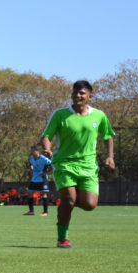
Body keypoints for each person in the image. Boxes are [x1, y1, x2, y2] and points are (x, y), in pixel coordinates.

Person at [42, 80, 115, 249]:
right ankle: (63, 238)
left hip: (88, 166)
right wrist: (47, 148)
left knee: (90, 205)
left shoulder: (99, 116)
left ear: (90, 96)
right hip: (64, 164)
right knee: (69, 199)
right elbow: (47, 135)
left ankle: (65, 204)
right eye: (75, 92)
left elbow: (108, 136)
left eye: (82, 93)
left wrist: (110, 156)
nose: (77, 96)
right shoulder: (60, 114)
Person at [24, 145, 52, 216]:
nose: (32, 152)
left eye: (33, 150)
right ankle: (31, 211)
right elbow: (31, 164)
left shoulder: (43, 159)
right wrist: (31, 169)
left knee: (43, 194)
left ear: (38, 151)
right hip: (35, 178)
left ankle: (45, 212)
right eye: (31, 151)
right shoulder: (32, 158)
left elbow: (51, 165)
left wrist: (45, 173)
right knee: (30, 193)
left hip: (42, 179)